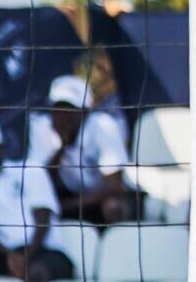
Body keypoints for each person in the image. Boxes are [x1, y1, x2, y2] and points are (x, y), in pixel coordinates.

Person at [0, 114, 70, 282]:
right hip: (7, 255)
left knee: (35, 274)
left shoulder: (31, 171)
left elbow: (43, 219)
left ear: (0, 145)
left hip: (46, 250)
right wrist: (10, 256)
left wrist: (27, 256)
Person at [29, 74, 141, 227]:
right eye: (57, 109)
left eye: (69, 110)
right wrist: (61, 147)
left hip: (104, 196)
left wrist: (67, 206)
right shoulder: (41, 128)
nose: (62, 116)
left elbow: (113, 186)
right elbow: (41, 182)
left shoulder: (103, 126)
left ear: (85, 113)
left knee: (113, 206)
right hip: (71, 196)